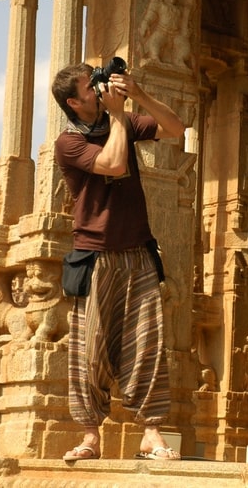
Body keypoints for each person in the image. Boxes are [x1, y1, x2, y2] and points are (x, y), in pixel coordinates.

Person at [51, 61, 184, 461]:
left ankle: (151, 434)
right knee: (89, 349)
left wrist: (138, 95)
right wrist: (120, 116)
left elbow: (177, 129)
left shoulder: (118, 118)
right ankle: (91, 437)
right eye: (89, 87)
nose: (99, 88)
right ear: (74, 102)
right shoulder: (68, 142)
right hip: (95, 255)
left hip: (138, 250)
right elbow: (113, 164)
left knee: (148, 344)